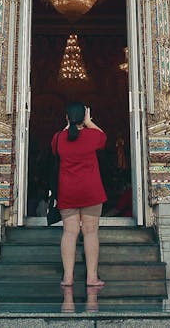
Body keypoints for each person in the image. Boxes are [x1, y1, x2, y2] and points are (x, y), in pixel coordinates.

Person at [52, 102, 106, 289]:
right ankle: (91, 277)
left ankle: (68, 278)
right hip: (91, 191)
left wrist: (69, 125)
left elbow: (55, 149)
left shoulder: (58, 138)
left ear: (66, 117)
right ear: (85, 117)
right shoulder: (93, 136)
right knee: (90, 233)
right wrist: (89, 122)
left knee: (69, 232)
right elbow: (103, 137)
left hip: (68, 191)